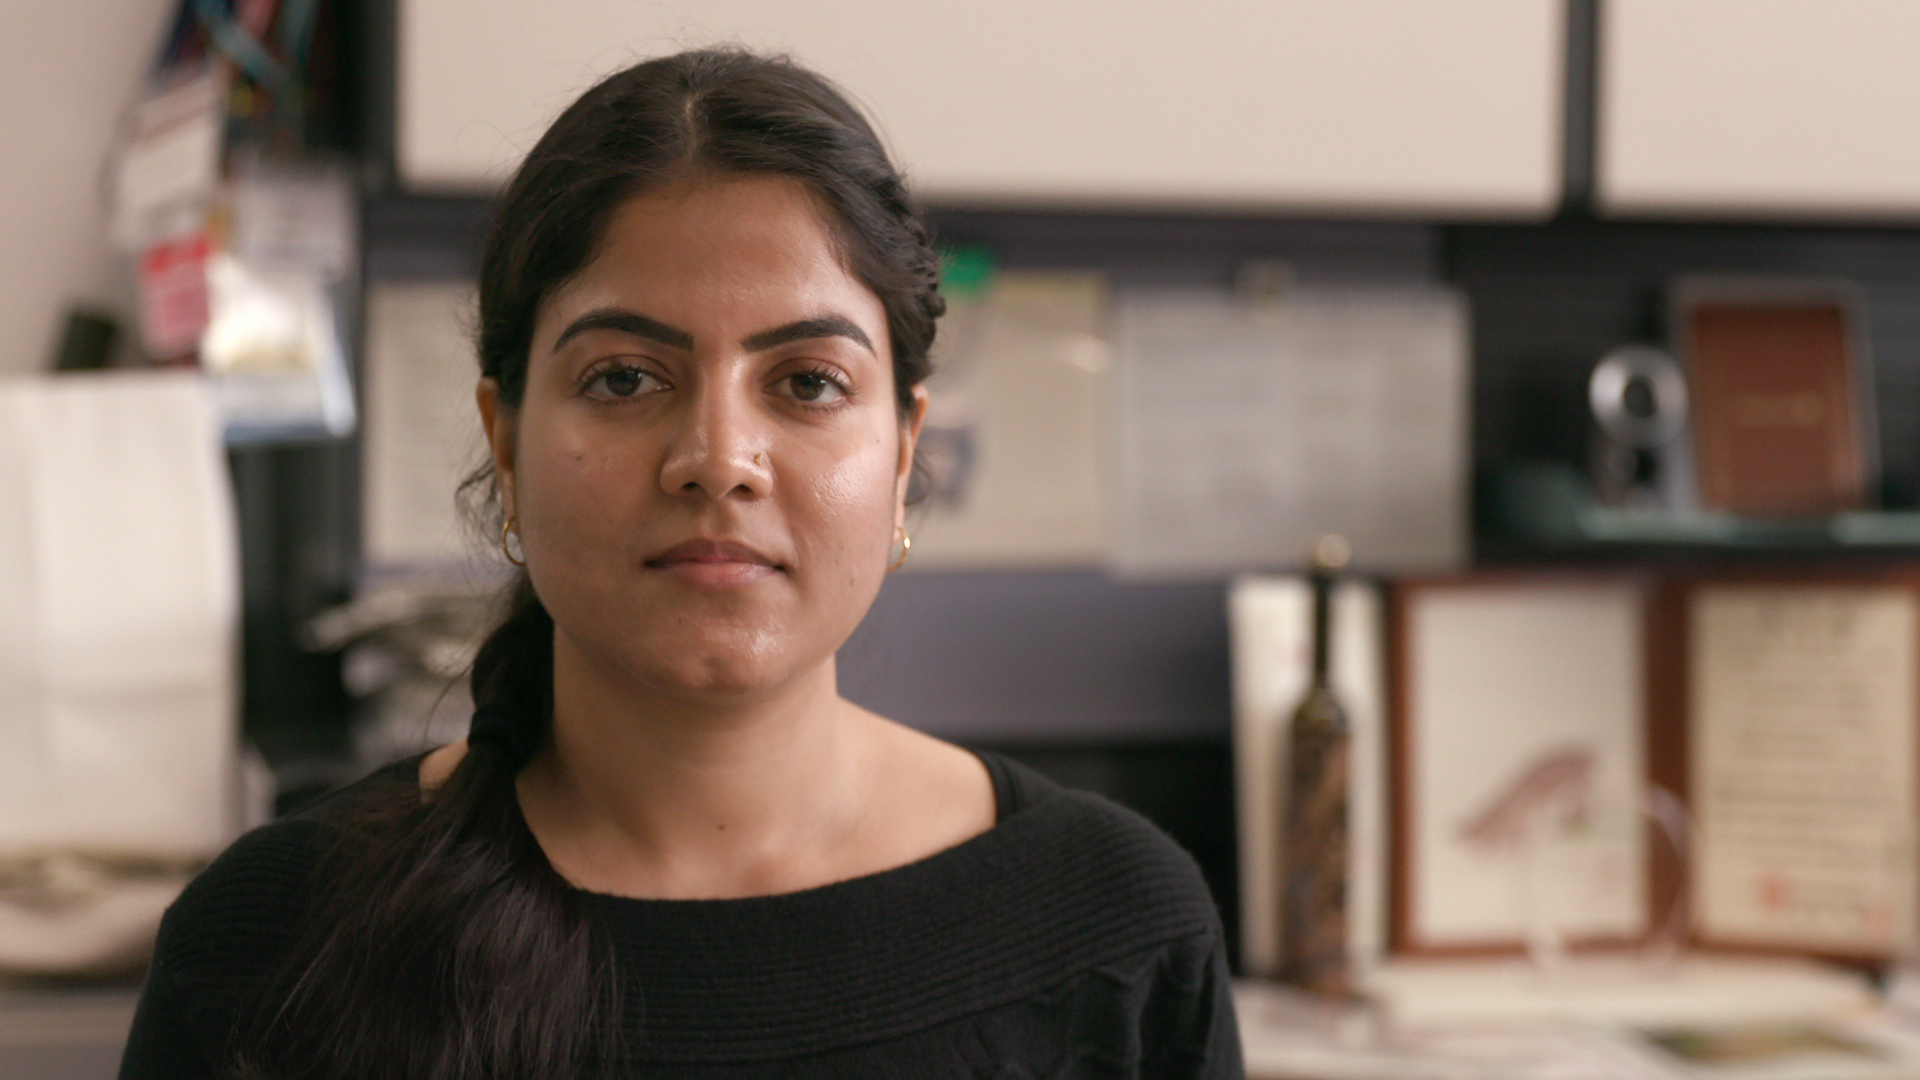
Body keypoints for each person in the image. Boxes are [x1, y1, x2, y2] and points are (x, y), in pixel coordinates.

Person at [119, 48, 1242, 1080]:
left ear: (904, 454)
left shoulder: (1116, 928)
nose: (718, 460)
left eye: (807, 383)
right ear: (506, 444)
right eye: (624, 378)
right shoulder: (273, 945)